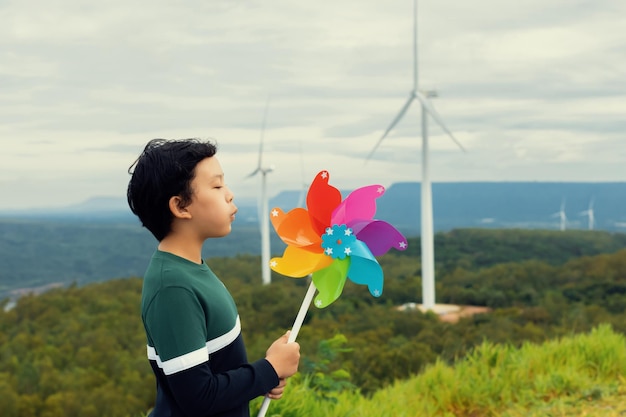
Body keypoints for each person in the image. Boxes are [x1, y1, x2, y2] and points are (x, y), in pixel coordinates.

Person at [127, 138, 300, 417]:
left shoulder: (189, 269)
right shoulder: (173, 287)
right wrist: (268, 370)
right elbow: (199, 397)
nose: (229, 194)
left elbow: (216, 372)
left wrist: (263, 376)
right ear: (181, 206)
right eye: (217, 186)